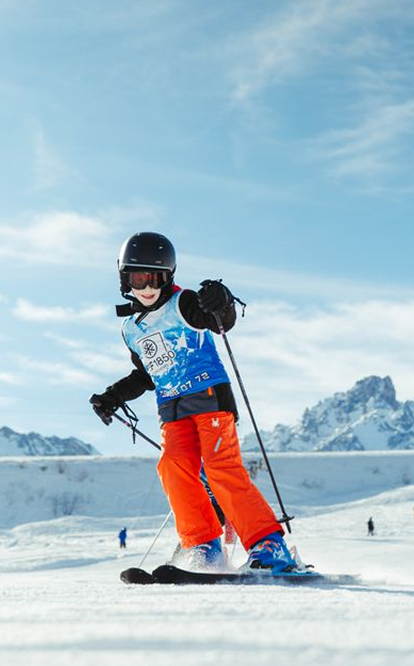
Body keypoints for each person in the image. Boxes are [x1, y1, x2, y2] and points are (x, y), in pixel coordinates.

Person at [89, 232, 297, 573]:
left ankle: (269, 545)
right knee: (173, 468)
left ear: (167, 276)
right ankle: (203, 546)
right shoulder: (131, 328)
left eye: (153, 278)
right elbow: (145, 374)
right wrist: (112, 397)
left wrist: (221, 301)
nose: (145, 287)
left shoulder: (183, 303)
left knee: (219, 470)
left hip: (209, 399)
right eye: (136, 278)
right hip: (171, 409)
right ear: (124, 279)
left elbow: (220, 322)